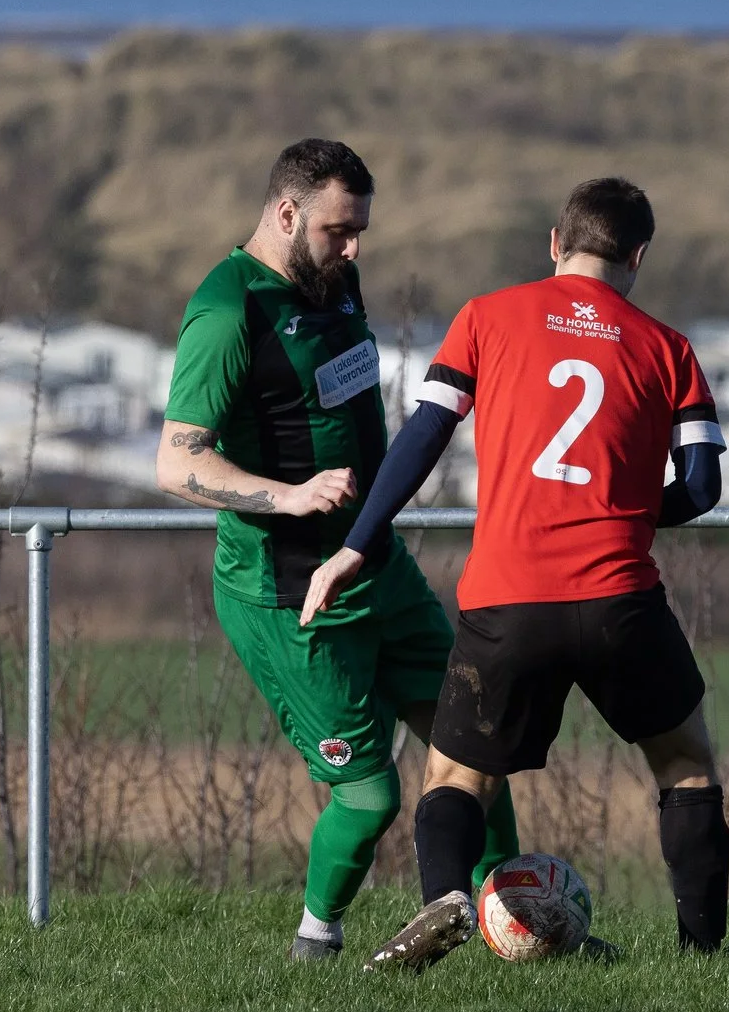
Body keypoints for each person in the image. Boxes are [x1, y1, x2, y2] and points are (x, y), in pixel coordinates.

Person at [300, 176, 729, 971]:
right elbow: (702, 486)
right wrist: (623, 511)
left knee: (458, 775)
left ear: (556, 245)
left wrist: (357, 542)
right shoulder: (669, 348)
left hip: (508, 600)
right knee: (686, 764)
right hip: (620, 601)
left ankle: (447, 902)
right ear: (637, 256)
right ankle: (702, 956)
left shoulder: (487, 317)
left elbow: (423, 437)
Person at [157, 137, 517, 962]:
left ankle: (518, 925)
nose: (352, 248)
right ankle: (314, 945)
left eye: (359, 232)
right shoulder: (227, 310)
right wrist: (285, 495)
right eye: (335, 230)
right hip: (290, 594)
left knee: (473, 745)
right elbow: (176, 461)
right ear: (286, 214)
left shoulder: (335, 282)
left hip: (372, 565)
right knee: (369, 794)